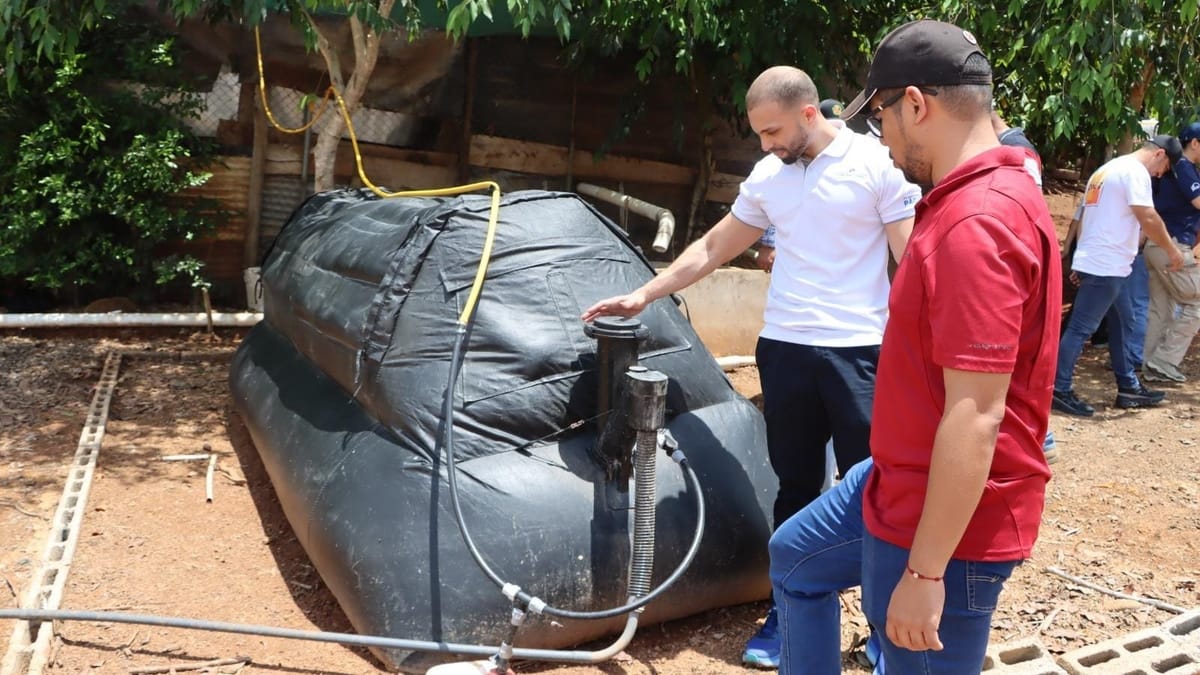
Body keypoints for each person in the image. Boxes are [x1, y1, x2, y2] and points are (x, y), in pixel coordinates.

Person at [580, 66, 920, 669]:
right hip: (786, 350)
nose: (765, 145)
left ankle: (882, 621)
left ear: (809, 113)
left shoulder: (875, 165)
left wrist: (922, 348)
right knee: (795, 484)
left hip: (861, 352)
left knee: (875, 487)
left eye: (772, 131)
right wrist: (645, 294)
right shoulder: (769, 176)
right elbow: (714, 246)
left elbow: (912, 259)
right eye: (759, 133)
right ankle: (789, 611)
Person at [768, 19, 1061, 673]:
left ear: (917, 105)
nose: (883, 139)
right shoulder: (980, 194)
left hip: (945, 521)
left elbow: (975, 413)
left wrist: (926, 573)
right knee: (795, 558)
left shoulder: (975, 224)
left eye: (881, 118)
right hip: (898, 476)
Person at [1052, 135, 1184, 416]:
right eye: (1164, 168)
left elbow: (1088, 217)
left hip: (1107, 262)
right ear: (1159, 154)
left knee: (1124, 323)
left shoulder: (1106, 170)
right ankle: (1058, 389)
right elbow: (1147, 217)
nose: (1160, 174)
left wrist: (1082, 259)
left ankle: (1128, 387)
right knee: (1080, 329)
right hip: (1107, 265)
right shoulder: (1135, 172)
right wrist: (1172, 250)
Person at [1143, 121, 1200, 382]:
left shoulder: (1172, 170)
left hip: (1156, 246)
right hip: (1172, 247)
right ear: (1195, 143)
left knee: (1161, 309)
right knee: (1196, 303)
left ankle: (1151, 366)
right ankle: (1164, 360)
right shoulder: (1184, 168)